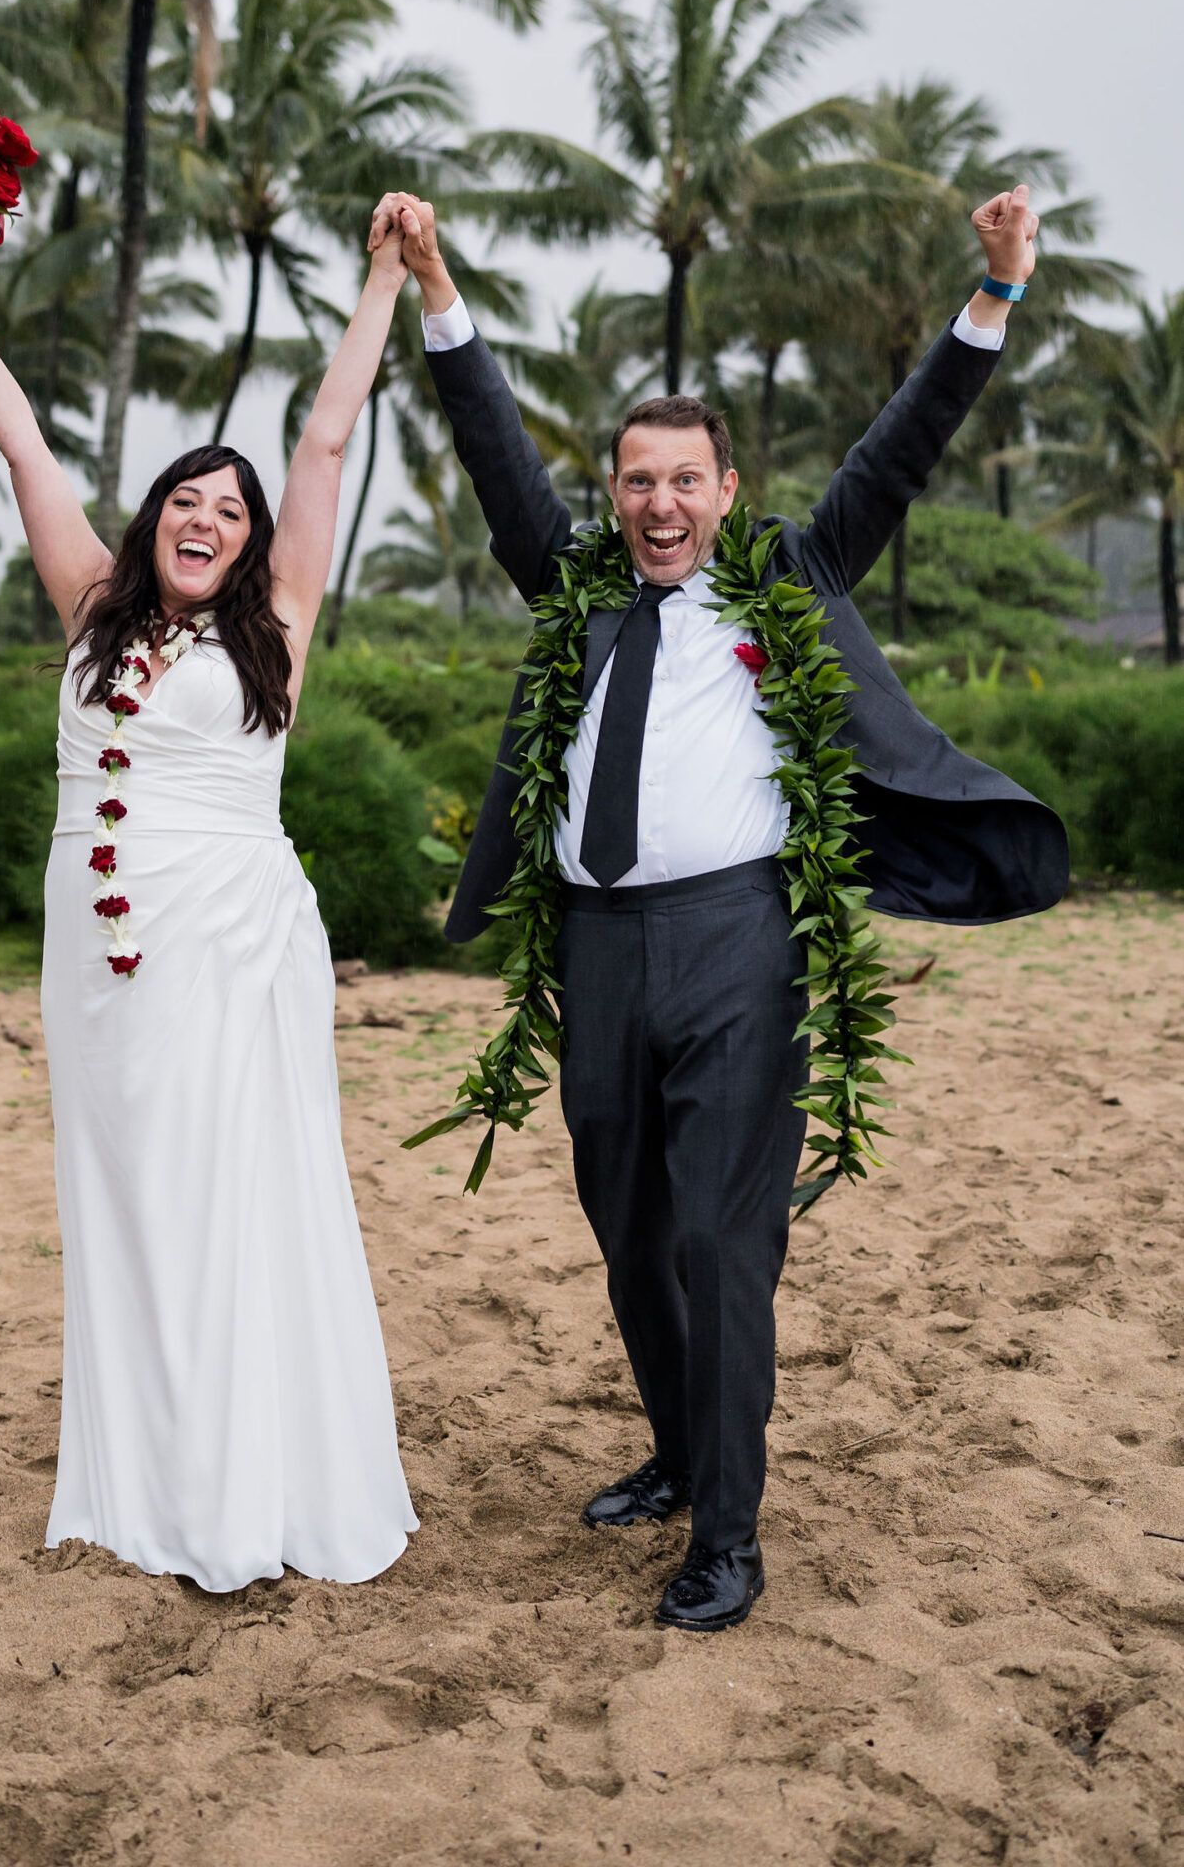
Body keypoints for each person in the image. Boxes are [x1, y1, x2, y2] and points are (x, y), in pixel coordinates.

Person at [374, 184, 1067, 1634]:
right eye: (639, 480)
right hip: (598, 950)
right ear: (615, 492)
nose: (662, 504)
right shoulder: (574, 590)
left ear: (727, 493)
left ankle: (731, 1541)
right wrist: (435, 284)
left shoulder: (792, 581)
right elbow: (496, 452)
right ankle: (681, 1456)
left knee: (721, 1243)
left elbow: (900, 451)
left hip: (742, 943)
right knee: (628, 1228)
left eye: (687, 481)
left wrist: (991, 296)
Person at [0, 220, 421, 1594]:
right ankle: (143, 1466)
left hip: (228, 940)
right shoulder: (90, 608)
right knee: (125, 1195)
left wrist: (379, 285)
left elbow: (322, 446)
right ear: (155, 522)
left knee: (226, 1195)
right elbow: (23, 444)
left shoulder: (281, 629)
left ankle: (244, 1481)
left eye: (229, 512)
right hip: (93, 956)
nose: (206, 521)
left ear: (253, 546)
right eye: (187, 502)